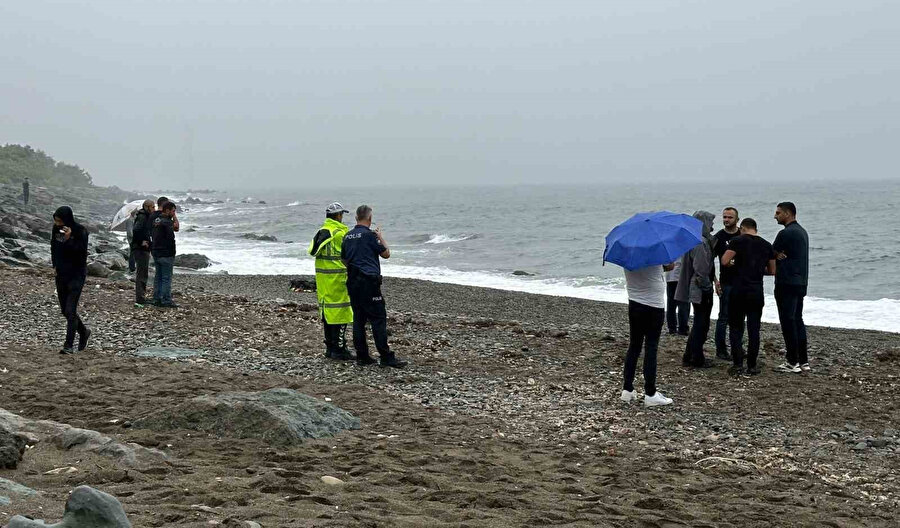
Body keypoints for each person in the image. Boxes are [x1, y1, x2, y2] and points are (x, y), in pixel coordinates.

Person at [341, 205, 407, 368]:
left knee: (358, 319)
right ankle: (385, 356)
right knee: (378, 319)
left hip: (353, 281)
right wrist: (380, 237)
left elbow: (343, 259)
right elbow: (386, 254)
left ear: (356, 218)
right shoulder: (370, 235)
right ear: (369, 219)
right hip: (369, 282)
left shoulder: (348, 236)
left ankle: (362, 355)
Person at [720, 218, 776, 376]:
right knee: (754, 329)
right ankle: (752, 365)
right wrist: (757, 270)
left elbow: (724, 261)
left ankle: (737, 364)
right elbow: (772, 271)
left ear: (743, 228)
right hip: (756, 291)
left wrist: (735, 264)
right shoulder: (766, 245)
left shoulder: (736, 241)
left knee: (736, 327)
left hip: (739, 289)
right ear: (755, 229)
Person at [621, 263, 675, 407]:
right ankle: (650, 393)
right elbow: (670, 266)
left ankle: (627, 389)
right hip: (653, 305)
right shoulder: (655, 253)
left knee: (634, 346)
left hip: (635, 303)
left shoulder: (629, 254)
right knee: (651, 347)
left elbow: (647, 270)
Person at [309, 202, 354, 361]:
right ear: (338, 216)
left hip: (323, 280)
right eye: (342, 215)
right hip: (339, 279)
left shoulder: (322, 232)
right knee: (342, 314)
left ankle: (330, 348)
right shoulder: (340, 233)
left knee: (327, 314)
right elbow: (350, 255)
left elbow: (311, 251)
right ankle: (339, 349)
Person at [676, 210, 717, 368]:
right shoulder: (700, 242)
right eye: (710, 222)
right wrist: (707, 288)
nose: (712, 226)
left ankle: (690, 356)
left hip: (696, 285)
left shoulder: (695, 240)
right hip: (700, 287)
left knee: (700, 322)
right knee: (702, 323)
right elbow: (701, 269)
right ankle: (696, 357)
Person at [772, 202, 809, 373]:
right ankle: (803, 361)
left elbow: (770, 252)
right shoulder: (802, 232)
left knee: (787, 321)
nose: (775, 216)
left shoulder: (785, 233)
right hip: (800, 282)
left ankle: (791, 361)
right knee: (798, 320)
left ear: (788, 213)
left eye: (778, 213)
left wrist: (776, 256)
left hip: (786, 282)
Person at [51, 206, 91, 354]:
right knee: (64, 310)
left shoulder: (80, 231)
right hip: (61, 273)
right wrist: (54, 265)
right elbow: (55, 247)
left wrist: (69, 239)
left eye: (60, 221)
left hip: (76, 274)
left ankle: (68, 345)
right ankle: (84, 331)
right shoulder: (56, 229)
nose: (58, 224)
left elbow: (80, 253)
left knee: (70, 309)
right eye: (56, 221)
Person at [713, 207, 741, 360]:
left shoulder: (742, 234)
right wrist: (715, 281)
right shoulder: (718, 237)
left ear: (737, 219)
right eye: (724, 217)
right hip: (725, 282)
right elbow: (709, 261)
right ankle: (721, 349)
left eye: (730, 217)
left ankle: (737, 347)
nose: (726, 220)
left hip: (741, 282)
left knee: (738, 317)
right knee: (723, 317)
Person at [151, 201, 178, 308]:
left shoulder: (156, 220)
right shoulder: (167, 222)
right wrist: (174, 218)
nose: (174, 213)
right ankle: (166, 299)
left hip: (156, 252)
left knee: (158, 276)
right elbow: (174, 231)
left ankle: (157, 298)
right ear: (167, 210)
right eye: (173, 211)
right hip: (166, 253)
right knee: (166, 277)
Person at [130, 199, 155, 307]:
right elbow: (136, 230)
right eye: (153, 207)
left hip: (142, 248)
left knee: (143, 272)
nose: (154, 209)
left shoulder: (145, 216)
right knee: (141, 273)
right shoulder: (142, 216)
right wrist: (142, 242)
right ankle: (140, 298)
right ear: (147, 207)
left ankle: (142, 296)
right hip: (140, 249)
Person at [665, 256, 690, 335]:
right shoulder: (684, 246)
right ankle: (682, 328)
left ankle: (672, 328)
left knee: (671, 304)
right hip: (681, 277)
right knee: (683, 303)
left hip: (670, 277)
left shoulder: (669, 245)